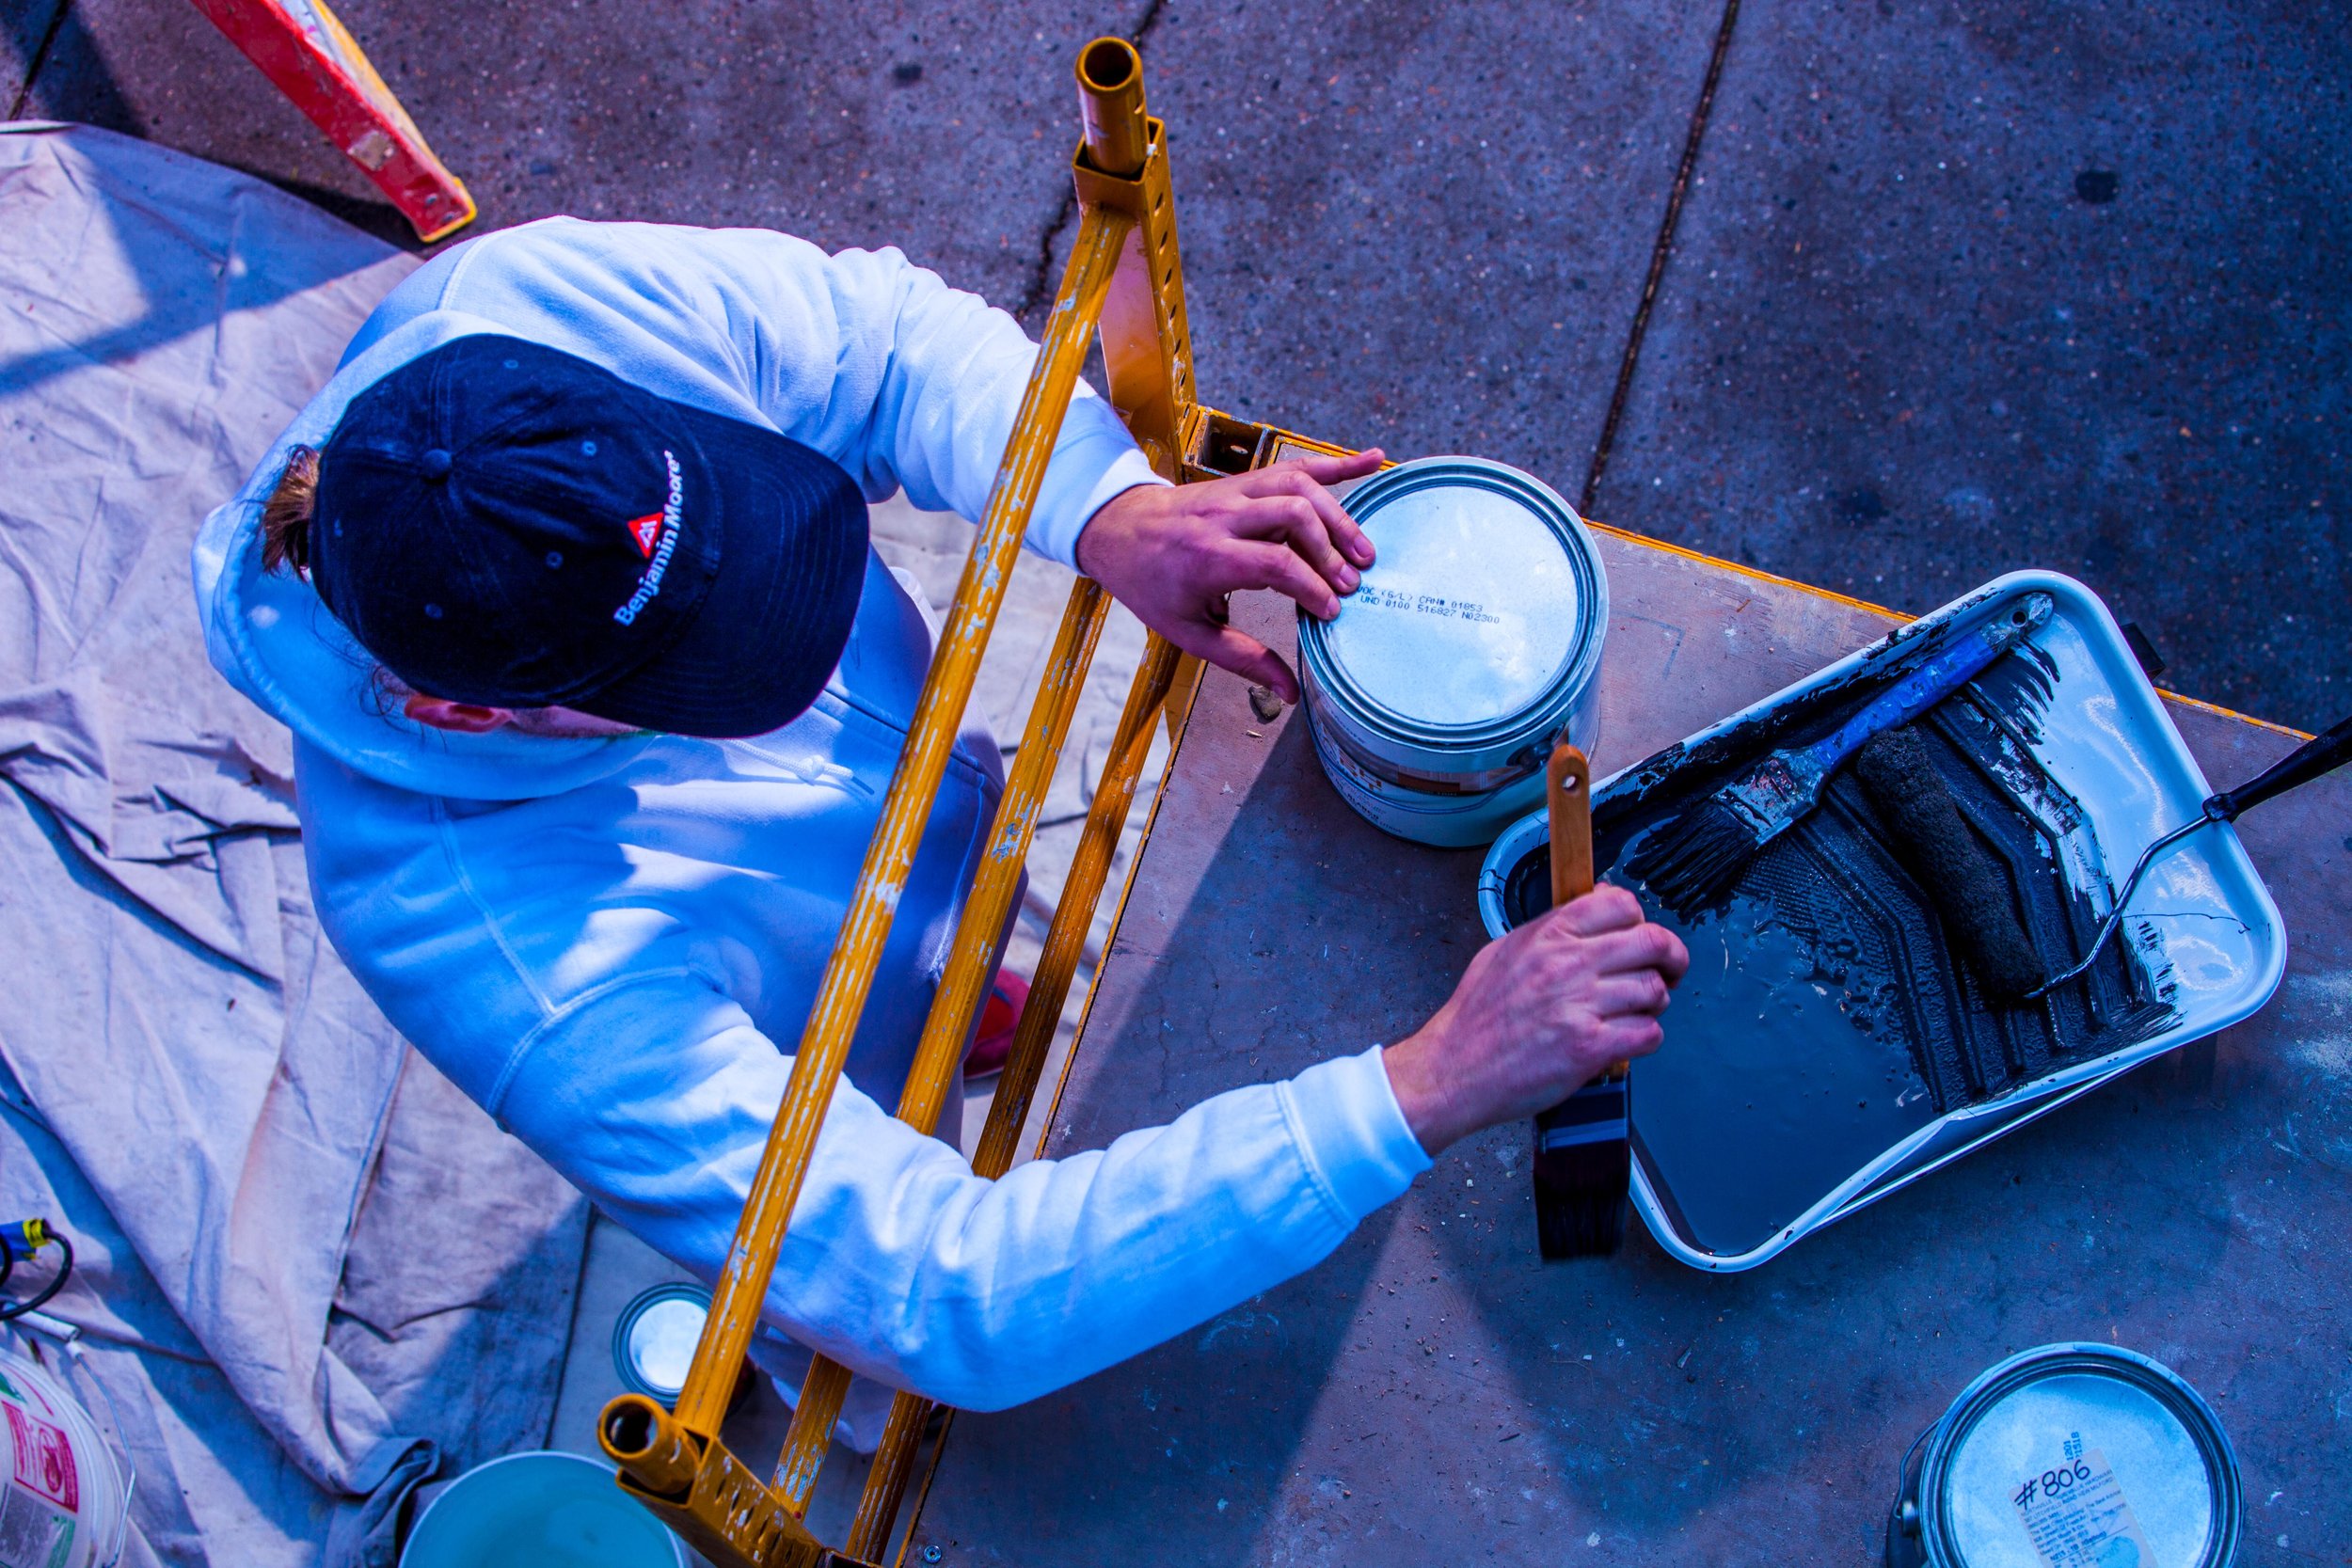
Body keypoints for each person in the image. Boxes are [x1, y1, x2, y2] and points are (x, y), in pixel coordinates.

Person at [193, 217, 1688, 1443]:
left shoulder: (521, 305)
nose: (762, 653)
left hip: (926, 864)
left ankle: (969, 998)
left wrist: (1111, 508)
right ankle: (942, 1021)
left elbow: (883, 347)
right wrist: (1431, 1083)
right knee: (852, 1296)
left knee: (969, 979)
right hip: (812, 1055)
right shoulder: (479, 941)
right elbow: (942, 1290)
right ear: (466, 716)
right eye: (693, 675)